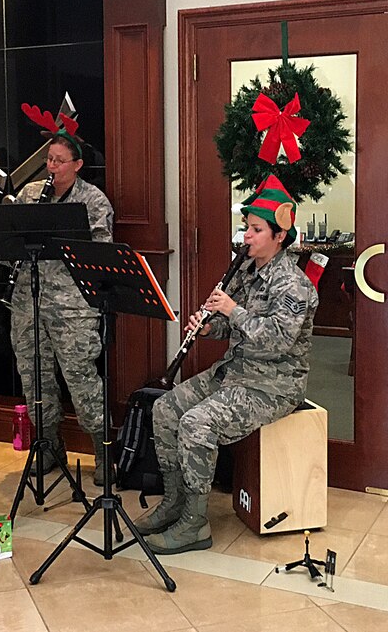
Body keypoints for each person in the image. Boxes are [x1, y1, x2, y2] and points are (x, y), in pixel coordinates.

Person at [139, 175, 317, 554]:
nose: (246, 237)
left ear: (279, 235)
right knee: (165, 408)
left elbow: (276, 343)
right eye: (246, 229)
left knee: (196, 423)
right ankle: (174, 502)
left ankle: (195, 523)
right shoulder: (246, 270)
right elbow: (227, 328)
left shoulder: (293, 285)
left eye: (255, 230)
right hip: (236, 372)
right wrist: (207, 326)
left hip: (273, 385)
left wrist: (232, 311)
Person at [8, 132, 114, 486]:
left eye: (58, 161)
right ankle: (50, 446)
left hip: (73, 307)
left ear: (77, 165)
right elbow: (8, 243)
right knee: (34, 377)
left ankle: (103, 450)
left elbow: (101, 252)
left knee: (81, 380)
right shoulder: (29, 195)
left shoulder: (92, 201)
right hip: (28, 302)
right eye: (48, 160)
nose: (51, 167)